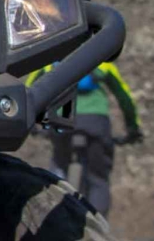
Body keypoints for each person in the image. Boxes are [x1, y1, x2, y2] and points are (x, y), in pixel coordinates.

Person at [27, 62, 142, 217]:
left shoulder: (52, 61)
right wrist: (133, 127)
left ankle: (51, 215)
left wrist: (31, 124)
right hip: (95, 123)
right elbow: (124, 97)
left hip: (62, 120)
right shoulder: (102, 61)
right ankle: (98, 223)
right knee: (98, 178)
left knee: (59, 167)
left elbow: (28, 93)